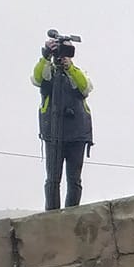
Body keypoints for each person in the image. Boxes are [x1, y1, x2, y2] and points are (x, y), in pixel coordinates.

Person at [34, 38, 94, 210]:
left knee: (74, 179)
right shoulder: (48, 72)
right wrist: (45, 55)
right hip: (53, 134)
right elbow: (37, 78)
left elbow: (85, 88)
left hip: (77, 134)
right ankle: (52, 214)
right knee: (53, 178)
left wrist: (70, 67)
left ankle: (72, 213)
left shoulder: (77, 73)